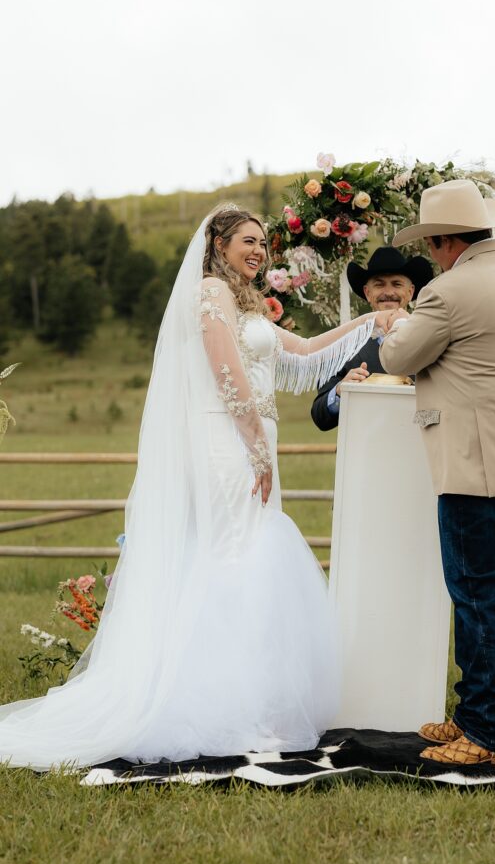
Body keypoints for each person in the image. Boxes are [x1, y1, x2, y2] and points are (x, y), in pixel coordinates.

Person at [0, 204, 394, 771]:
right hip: (227, 445)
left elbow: (303, 353)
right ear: (218, 244)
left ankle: (248, 701)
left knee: (247, 563)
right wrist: (256, 447)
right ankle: (216, 709)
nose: (259, 251)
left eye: (264, 243)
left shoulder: (246, 301)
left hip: (252, 444)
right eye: (248, 241)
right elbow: (227, 374)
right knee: (232, 561)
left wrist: (369, 324)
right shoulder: (211, 292)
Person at [379, 179, 495, 768]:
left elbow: (399, 359)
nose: (432, 256)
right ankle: (472, 712)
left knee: (476, 591)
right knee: (483, 584)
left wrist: (396, 324)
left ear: (444, 241)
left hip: (474, 460)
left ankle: (492, 735)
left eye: (433, 245)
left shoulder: (448, 292)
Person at [310, 247, 432, 430]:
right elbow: (320, 417)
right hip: (360, 451)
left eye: (397, 284)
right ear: (367, 293)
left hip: (421, 449)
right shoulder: (342, 344)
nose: (388, 292)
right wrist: (341, 390)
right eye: (379, 284)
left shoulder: (431, 338)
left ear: (411, 292)